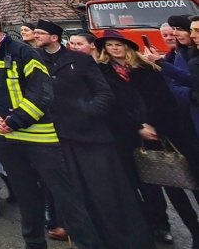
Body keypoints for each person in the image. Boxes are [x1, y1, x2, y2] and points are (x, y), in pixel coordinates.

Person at [0, 10, 102, 249]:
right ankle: (33, 243)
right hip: (6, 138)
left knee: (65, 195)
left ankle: (87, 243)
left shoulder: (24, 52)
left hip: (39, 137)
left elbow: (41, 92)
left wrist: (16, 120)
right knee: (26, 195)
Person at [32, 20, 151, 248]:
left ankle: (124, 239)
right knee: (76, 194)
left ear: (54, 37)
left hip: (91, 136)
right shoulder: (35, 61)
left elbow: (104, 93)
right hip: (59, 136)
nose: (36, 36)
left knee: (106, 191)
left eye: (40, 32)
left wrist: (88, 111)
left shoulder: (81, 60)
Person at [97, 28, 199, 249]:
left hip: (160, 133)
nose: (115, 48)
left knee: (175, 185)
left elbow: (164, 100)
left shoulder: (146, 69)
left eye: (118, 44)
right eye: (110, 45)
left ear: (127, 47)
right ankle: (158, 228)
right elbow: (112, 107)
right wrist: (136, 127)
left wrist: (155, 126)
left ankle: (194, 229)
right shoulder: (103, 73)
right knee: (147, 188)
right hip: (130, 138)